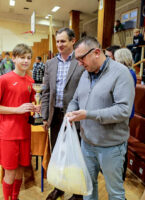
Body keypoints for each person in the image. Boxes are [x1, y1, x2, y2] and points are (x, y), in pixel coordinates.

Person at [66, 36, 135, 200]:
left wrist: (88, 115)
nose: (79, 63)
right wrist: (70, 112)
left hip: (111, 146)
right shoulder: (85, 73)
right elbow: (75, 100)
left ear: (96, 52)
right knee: (88, 188)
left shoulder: (121, 73)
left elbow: (123, 110)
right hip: (87, 143)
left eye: (81, 58)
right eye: (77, 59)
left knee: (115, 193)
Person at [0, 43, 39, 200]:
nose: (25, 61)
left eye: (28, 58)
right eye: (22, 57)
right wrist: (16, 110)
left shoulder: (31, 82)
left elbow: (31, 104)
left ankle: (15, 197)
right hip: (9, 133)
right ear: (14, 58)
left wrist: (37, 108)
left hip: (24, 132)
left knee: (20, 169)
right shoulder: (4, 80)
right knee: (10, 170)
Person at [41, 27, 84, 200]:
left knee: (76, 154)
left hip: (75, 117)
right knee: (58, 153)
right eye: (57, 41)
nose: (59, 44)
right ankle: (59, 187)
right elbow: (46, 92)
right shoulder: (50, 64)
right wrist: (45, 117)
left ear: (73, 41)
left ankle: (77, 192)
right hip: (56, 116)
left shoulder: (81, 62)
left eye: (63, 41)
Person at [114, 48, 137, 181]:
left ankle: (120, 174)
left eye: (116, 59)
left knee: (122, 143)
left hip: (125, 113)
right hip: (125, 111)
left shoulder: (128, 73)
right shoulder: (129, 72)